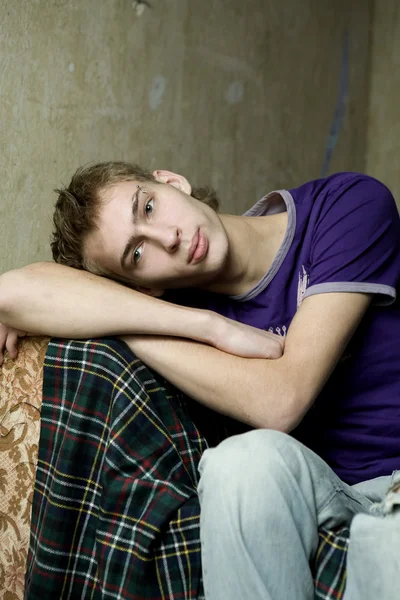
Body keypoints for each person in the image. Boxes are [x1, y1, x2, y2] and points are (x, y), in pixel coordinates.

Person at [0, 162, 399, 599]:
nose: (167, 238)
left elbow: (283, 397)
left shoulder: (344, 207)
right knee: (238, 463)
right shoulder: (185, 313)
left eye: (148, 207)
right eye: (136, 254)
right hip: (329, 494)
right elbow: (11, 293)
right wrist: (204, 326)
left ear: (172, 182)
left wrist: (121, 322)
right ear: (142, 289)